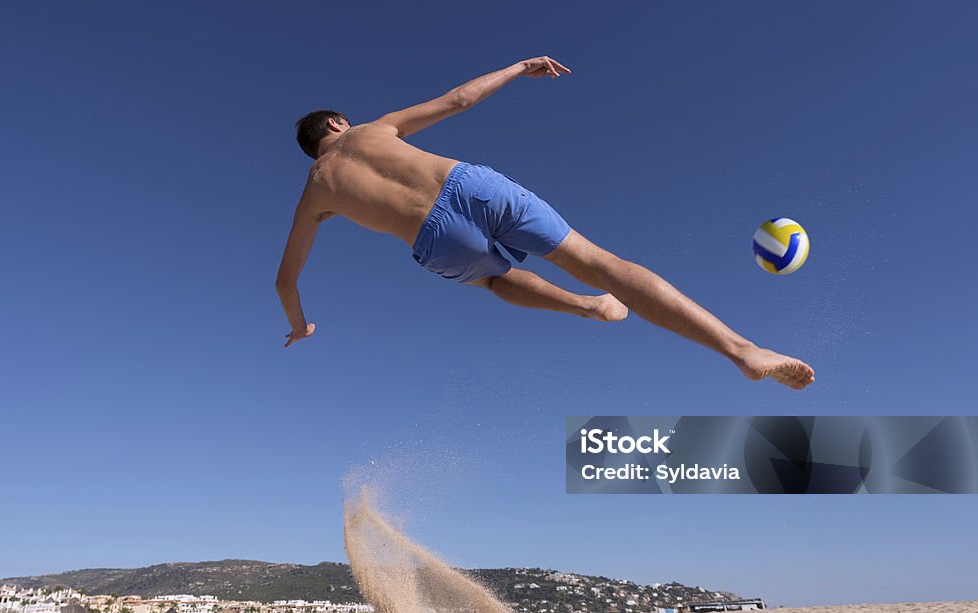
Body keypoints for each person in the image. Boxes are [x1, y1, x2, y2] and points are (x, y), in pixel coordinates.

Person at [277, 56, 814, 389]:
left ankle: (585, 307)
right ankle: (741, 349)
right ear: (336, 123)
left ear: (312, 149)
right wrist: (518, 68)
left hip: (433, 239)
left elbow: (286, 279)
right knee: (599, 262)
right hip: (466, 186)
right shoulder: (373, 130)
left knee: (494, 280)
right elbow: (459, 100)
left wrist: (301, 327)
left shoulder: (314, 194)